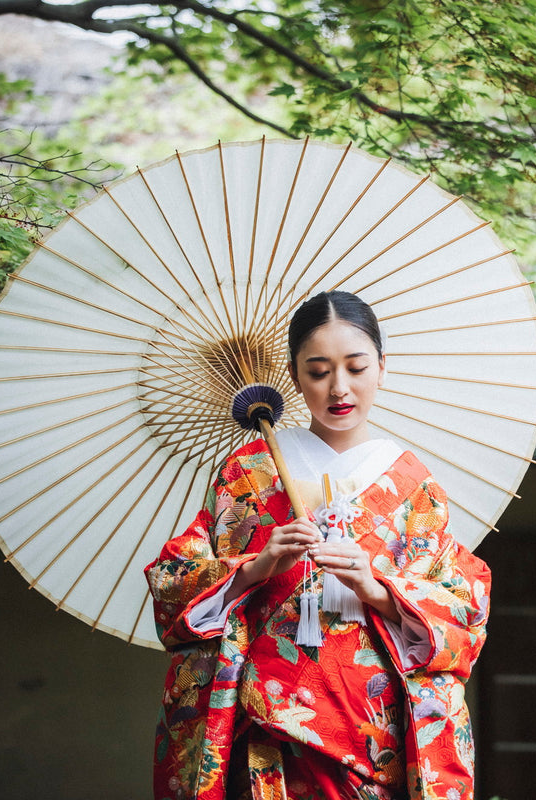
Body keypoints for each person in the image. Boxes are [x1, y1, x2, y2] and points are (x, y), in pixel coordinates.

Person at [145, 291, 491, 800]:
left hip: (372, 724)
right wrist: (255, 567)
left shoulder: (413, 485)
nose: (339, 388)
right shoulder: (251, 472)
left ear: (382, 367)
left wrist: (377, 588)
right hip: (263, 720)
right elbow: (175, 580)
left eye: (356, 367)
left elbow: (462, 608)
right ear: (292, 373)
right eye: (318, 371)